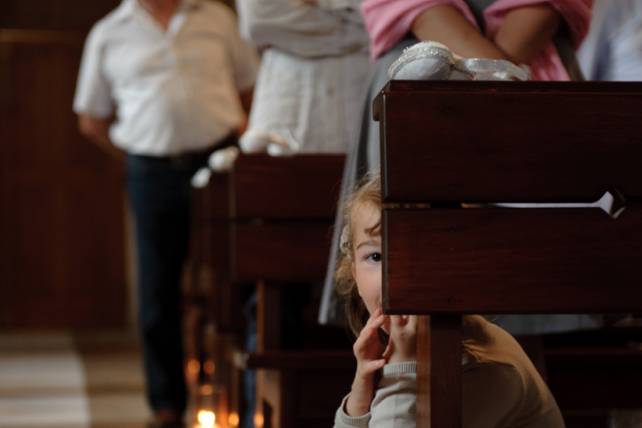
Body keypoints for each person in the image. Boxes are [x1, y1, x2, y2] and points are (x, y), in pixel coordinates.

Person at [319, 0, 595, 336]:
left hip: (530, 64)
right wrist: (499, 79)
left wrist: (492, 81)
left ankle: (517, 382)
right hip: (422, 78)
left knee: (524, 301)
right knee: (413, 298)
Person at [73, 1, 259, 427]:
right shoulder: (108, 32)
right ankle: (167, 405)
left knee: (239, 275)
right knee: (157, 286)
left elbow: (250, 88)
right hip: (150, 168)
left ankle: (240, 395)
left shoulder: (217, 17)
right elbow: (90, 119)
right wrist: (137, 153)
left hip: (222, 162)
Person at [332, 175, 565, 428]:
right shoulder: (410, 348)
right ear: (354, 272)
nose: (394, 277)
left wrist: (401, 368)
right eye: (375, 256)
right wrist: (360, 395)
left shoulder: (479, 367)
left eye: (419, 255)